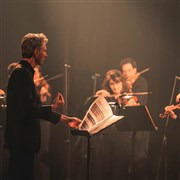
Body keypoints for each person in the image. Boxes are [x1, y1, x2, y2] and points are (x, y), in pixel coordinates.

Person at [4, 33, 81, 180]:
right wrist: (55, 110)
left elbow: (32, 108)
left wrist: (65, 118)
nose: (46, 54)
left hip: (24, 144)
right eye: (44, 50)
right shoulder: (21, 74)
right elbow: (29, 111)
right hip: (21, 144)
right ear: (36, 52)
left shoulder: (25, 73)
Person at [119, 57, 150, 179]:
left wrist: (130, 89)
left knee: (139, 159)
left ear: (135, 70)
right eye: (124, 71)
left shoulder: (142, 82)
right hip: (128, 125)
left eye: (129, 70)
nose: (126, 73)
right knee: (127, 159)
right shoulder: (123, 84)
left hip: (141, 125)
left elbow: (137, 103)